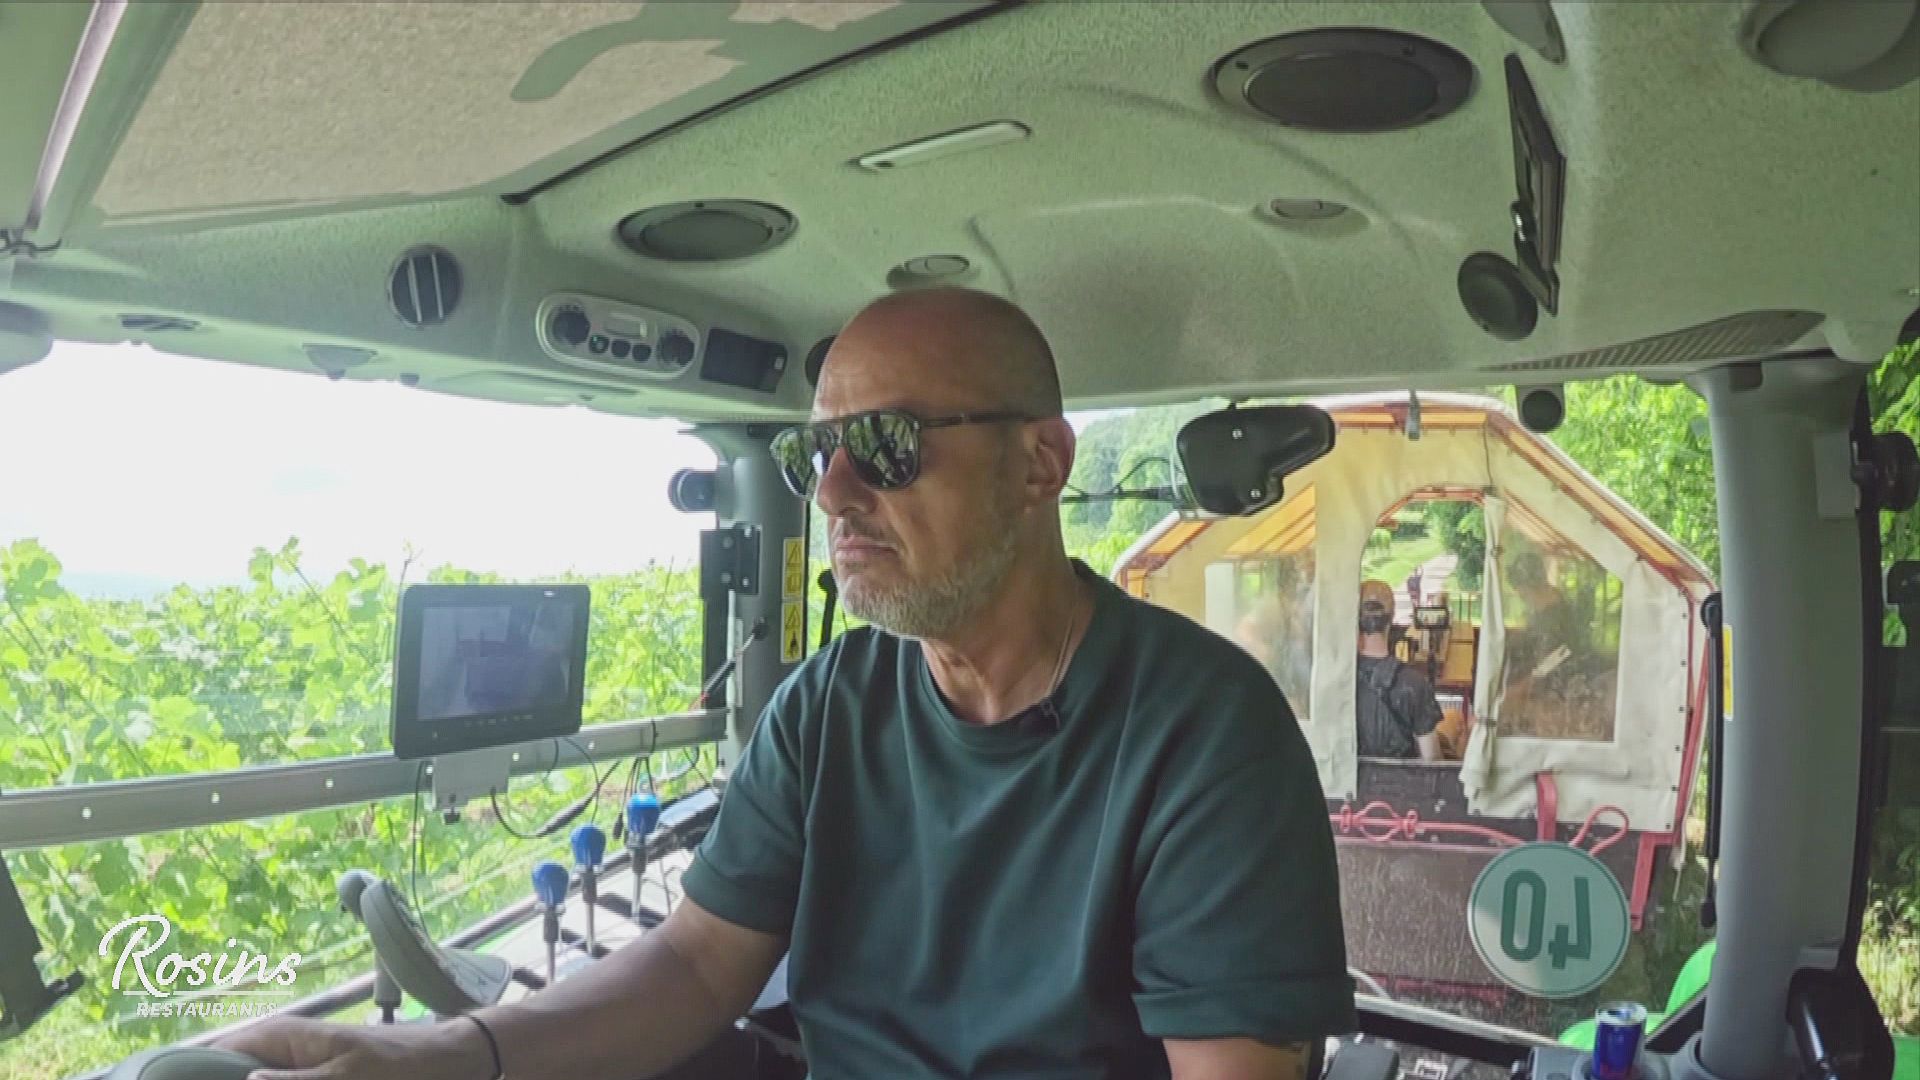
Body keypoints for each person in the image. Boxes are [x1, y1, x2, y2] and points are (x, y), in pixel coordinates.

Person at [224, 287, 1353, 1080]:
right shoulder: (829, 704)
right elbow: (693, 965)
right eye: (817, 453)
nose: (836, 491)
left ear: (1038, 466)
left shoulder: (1206, 735)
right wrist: (452, 1055)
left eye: (890, 444)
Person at [1354, 579, 1443, 760]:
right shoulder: (1414, 684)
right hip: (1400, 786)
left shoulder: (1335, 678)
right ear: (1391, 617)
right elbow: (1432, 760)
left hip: (1345, 786)